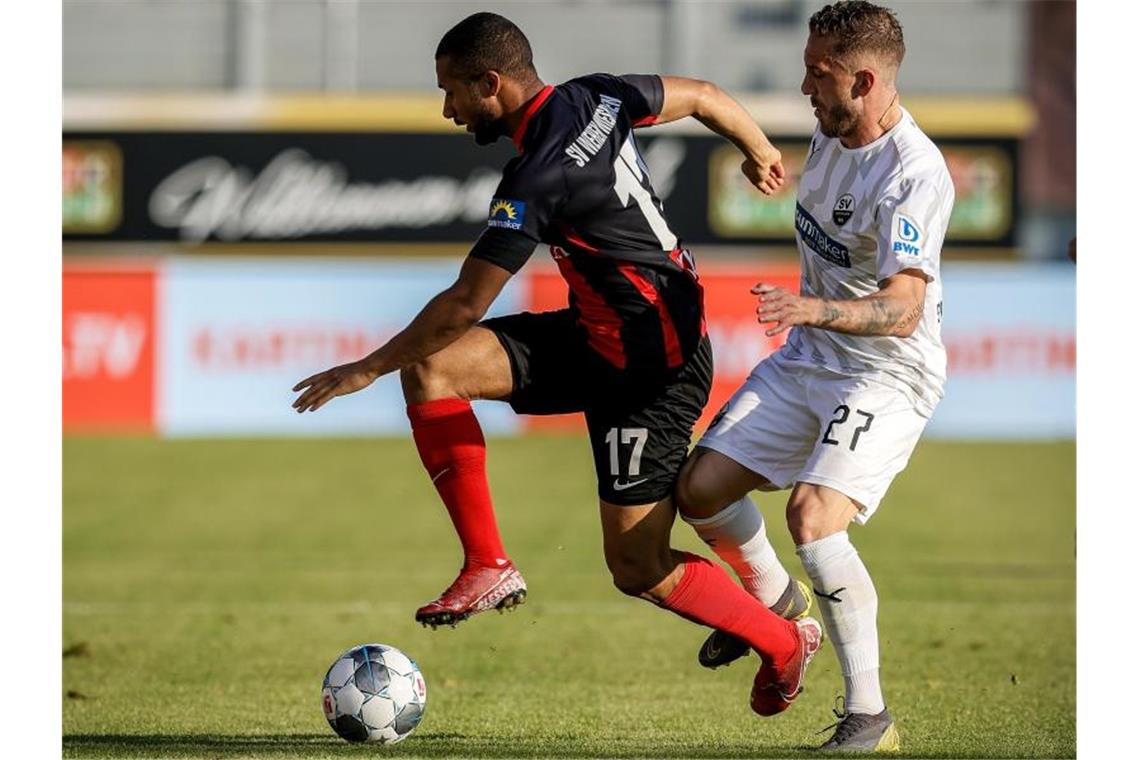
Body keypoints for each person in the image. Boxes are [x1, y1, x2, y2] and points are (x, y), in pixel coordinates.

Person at [292, 12, 822, 716]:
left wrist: (364, 368)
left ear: (492, 82)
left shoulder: (538, 175)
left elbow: (462, 303)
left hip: (651, 371)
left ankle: (784, 641)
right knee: (434, 370)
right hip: (600, 337)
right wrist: (756, 146)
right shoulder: (594, 96)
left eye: (453, 92)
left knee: (636, 567)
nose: (448, 110)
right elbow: (700, 93)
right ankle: (487, 564)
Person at [674, 1, 953, 751]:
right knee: (698, 492)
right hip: (811, 360)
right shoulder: (834, 133)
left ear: (864, 80)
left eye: (818, 73)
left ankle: (870, 715)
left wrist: (813, 309)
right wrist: (758, 155)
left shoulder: (915, 174)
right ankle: (780, 607)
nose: (804, 87)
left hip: (886, 373)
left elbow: (901, 309)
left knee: (813, 517)